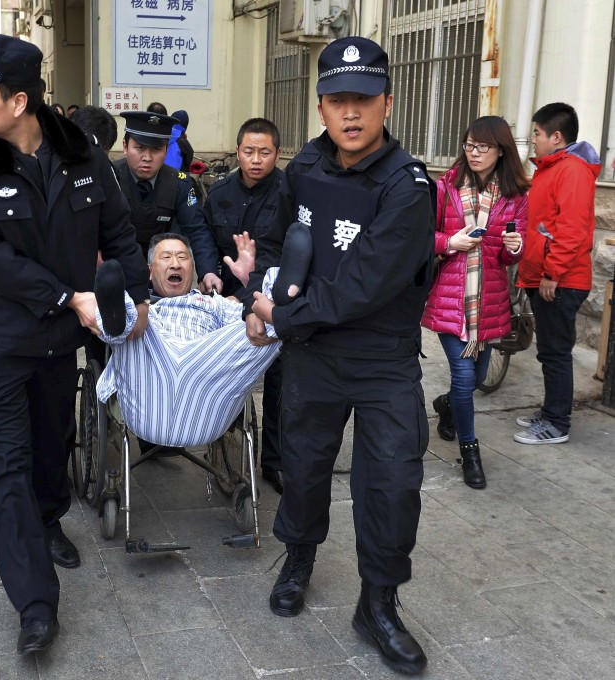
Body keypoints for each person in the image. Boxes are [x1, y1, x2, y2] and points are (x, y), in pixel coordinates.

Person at [0, 31, 149, 655]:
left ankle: (49, 519)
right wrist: (68, 297)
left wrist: (137, 300)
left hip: (58, 341)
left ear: (19, 101)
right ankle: (35, 605)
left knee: (52, 444)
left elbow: (118, 231)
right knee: (6, 467)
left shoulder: (82, 151)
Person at [245, 37, 435, 675]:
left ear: (388, 103)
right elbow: (274, 244)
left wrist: (282, 318)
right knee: (302, 467)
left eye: (364, 99)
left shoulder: (408, 187)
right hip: (315, 355)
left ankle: (378, 604)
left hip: (382, 360)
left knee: (393, 483)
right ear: (321, 106)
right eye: (337, 100)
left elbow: (365, 284)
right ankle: (298, 559)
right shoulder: (303, 168)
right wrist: (261, 297)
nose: (350, 113)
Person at [96, 233, 281, 447]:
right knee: (136, 319)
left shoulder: (214, 304)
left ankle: (284, 292)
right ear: (149, 271)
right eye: (166, 257)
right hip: (149, 377)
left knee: (259, 322)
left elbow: (247, 326)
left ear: (192, 269)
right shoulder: (144, 309)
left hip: (208, 381)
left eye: (182, 257)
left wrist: (250, 283)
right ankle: (117, 316)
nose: (175, 264)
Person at [422, 116, 527, 487]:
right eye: (470, 145)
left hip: (489, 301)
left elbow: (509, 256)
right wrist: (450, 242)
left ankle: (446, 406)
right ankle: (470, 452)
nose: (475, 153)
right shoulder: (446, 187)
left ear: (501, 150)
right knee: (465, 377)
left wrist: (516, 246)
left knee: (477, 377)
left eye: (483, 147)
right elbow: (423, 236)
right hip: (451, 298)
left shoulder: (515, 196)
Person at [205, 117, 286, 493]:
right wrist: (209, 271)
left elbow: (283, 251)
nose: (256, 159)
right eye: (249, 151)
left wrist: (251, 292)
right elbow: (206, 237)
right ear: (237, 151)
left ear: (277, 154)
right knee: (228, 374)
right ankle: (227, 449)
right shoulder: (219, 191)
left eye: (264, 152)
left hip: (272, 296)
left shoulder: (289, 194)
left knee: (280, 381)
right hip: (225, 296)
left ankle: (275, 461)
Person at [514, 103, 600, 445]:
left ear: (557, 136)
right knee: (549, 351)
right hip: (546, 276)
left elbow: (572, 229)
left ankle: (556, 424)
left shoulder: (572, 171)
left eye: (536, 133)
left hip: (560, 280)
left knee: (555, 353)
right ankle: (551, 411)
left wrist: (552, 273)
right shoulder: (552, 167)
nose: (533, 139)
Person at [113, 111, 222, 293]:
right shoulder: (110, 178)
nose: (147, 157)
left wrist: (208, 271)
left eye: (156, 149)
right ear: (125, 147)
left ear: (166, 150)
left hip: (164, 276)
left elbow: (196, 230)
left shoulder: (179, 183)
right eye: (139, 148)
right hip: (117, 271)